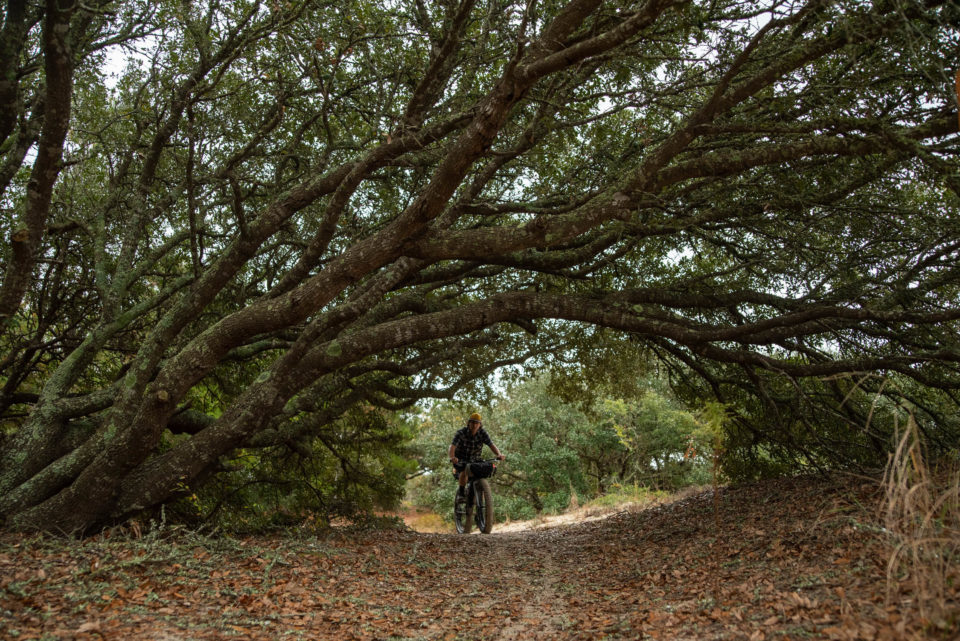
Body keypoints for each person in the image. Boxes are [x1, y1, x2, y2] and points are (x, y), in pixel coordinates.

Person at [448, 412, 505, 497]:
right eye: (472, 422)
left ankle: (480, 492)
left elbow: (491, 445)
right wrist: (452, 457)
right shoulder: (461, 432)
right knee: (464, 470)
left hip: (475, 458)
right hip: (460, 458)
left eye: (476, 423)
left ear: (480, 425)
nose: (474, 425)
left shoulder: (482, 433)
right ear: (468, 423)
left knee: (482, 469)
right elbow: (452, 446)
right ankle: (461, 492)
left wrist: (499, 454)